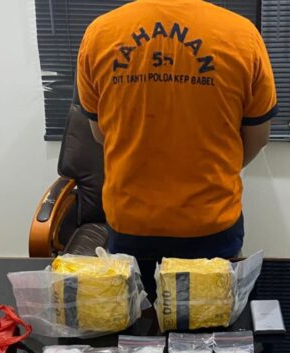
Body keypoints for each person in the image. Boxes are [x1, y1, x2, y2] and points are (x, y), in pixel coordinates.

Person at [76, 0, 278, 260]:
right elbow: (258, 137)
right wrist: (216, 170)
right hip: (212, 219)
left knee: (136, 289)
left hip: (131, 222)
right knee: (217, 289)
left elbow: (100, 133)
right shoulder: (242, 35)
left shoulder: (100, 34)